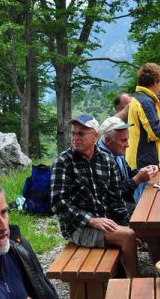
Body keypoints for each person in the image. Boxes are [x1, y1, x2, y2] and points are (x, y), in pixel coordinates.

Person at [51, 114, 140, 277]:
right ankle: (135, 284)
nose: (75, 138)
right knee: (128, 236)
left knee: (132, 231)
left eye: (81, 134)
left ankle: (120, 281)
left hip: (104, 221)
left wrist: (123, 224)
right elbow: (58, 203)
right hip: (78, 227)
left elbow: (116, 200)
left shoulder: (107, 160)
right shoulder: (64, 161)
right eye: (73, 133)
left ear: (95, 136)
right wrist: (90, 220)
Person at [96, 116, 158, 207]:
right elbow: (115, 194)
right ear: (108, 141)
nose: (127, 145)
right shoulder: (100, 159)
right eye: (123, 141)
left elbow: (129, 174)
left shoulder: (115, 152)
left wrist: (144, 171)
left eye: (127, 139)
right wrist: (137, 179)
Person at [126, 63, 160, 170]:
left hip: (143, 158)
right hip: (145, 161)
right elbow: (155, 134)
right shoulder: (146, 102)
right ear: (154, 82)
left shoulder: (139, 98)